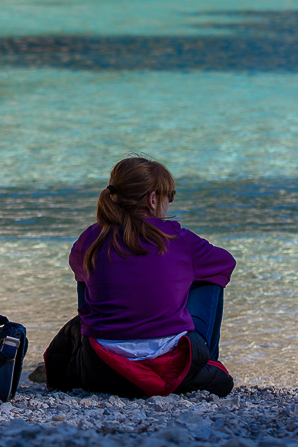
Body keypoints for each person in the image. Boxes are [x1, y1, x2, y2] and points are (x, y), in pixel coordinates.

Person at [43, 157, 236, 398]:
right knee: (211, 277)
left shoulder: (91, 237)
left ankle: (101, 330)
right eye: (170, 196)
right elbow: (225, 264)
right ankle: (207, 360)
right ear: (153, 199)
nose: (170, 202)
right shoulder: (178, 238)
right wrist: (177, 284)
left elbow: (78, 271)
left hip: (100, 365)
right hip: (169, 363)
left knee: (85, 275)